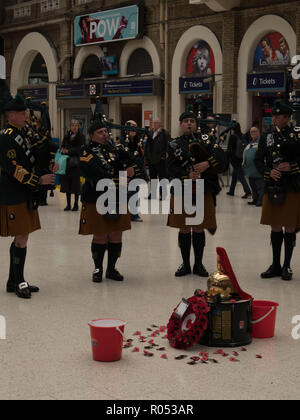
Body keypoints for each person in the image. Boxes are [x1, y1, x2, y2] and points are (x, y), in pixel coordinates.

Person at [0, 95, 55, 299]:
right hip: (13, 193)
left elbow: (34, 158)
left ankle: (13, 280)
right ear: (11, 115)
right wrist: (38, 181)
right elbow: (14, 169)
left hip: (25, 192)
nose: (26, 116)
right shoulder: (6, 137)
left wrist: (49, 165)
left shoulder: (24, 133)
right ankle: (18, 280)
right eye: (22, 113)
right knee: (21, 237)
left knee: (22, 237)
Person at [79, 120, 144, 283]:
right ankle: (98, 268)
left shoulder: (116, 149)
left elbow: (137, 165)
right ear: (92, 135)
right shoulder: (86, 151)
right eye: (100, 132)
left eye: (105, 131)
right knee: (100, 236)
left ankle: (111, 268)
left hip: (118, 197)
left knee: (117, 234)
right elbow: (93, 173)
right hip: (96, 197)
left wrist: (131, 172)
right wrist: (120, 178)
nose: (105, 134)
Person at [167, 110, 226, 277]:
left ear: (196, 124)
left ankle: (198, 264)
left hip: (203, 188)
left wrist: (208, 163)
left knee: (199, 228)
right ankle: (185, 264)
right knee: (184, 228)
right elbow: (169, 168)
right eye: (186, 121)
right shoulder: (174, 144)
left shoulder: (206, 140)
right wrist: (186, 175)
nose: (189, 123)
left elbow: (221, 158)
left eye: (192, 121)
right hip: (181, 189)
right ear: (180, 124)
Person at [255, 101, 300, 281]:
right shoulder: (266, 137)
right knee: (274, 225)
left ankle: (287, 265)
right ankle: (275, 264)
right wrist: (268, 172)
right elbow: (258, 160)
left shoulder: (297, 134)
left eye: (278, 116)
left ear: (287, 118)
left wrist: (293, 167)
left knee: (289, 226)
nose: (274, 119)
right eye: (273, 116)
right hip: (272, 186)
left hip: (291, 186)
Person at [120, 120, 145, 222]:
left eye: (135, 127)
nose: (133, 130)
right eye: (131, 127)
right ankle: (123, 214)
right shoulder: (122, 141)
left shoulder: (138, 141)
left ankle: (134, 214)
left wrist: (135, 166)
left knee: (135, 192)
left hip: (136, 170)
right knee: (124, 192)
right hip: (124, 170)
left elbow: (140, 155)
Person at [60, 120, 85, 211]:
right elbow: (63, 145)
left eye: (76, 125)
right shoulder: (66, 136)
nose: (74, 127)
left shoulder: (81, 137)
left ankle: (76, 204)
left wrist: (68, 151)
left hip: (76, 164)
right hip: (66, 164)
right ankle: (68, 204)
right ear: (70, 126)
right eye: (73, 125)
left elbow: (80, 149)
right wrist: (62, 149)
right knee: (67, 185)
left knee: (76, 185)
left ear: (78, 127)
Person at [145, 118, 170, 200]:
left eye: (156, 123)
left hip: (161, 160)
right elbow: (147, 146)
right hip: (151, 160)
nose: (154, 124)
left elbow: (168, 146)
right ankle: (153, 193)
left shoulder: (164, 133)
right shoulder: (150, 133)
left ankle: (163, 194)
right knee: (153, 178)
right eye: (154, 123)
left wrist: (164, 157)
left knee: (162, 178)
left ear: (160, 124)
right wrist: (147, 156)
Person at [227, 123, 252, 199]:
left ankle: (247, 191)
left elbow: (230, 149)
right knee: (235, 173)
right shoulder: (242, 135)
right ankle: (231, 191)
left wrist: (228, 157)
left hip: (234, 158)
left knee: (240, 175)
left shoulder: (233, 136)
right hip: (241, 157)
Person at [242, 127, 264, 207]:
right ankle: (255, 199)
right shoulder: (250, 144)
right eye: (251, 132)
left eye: (255, 131)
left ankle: (260, 200)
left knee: (260, 187)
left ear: (258, 132)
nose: (253, 133)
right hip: (250, 170)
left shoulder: (262, 142)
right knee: (253, 187)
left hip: (258, 170)